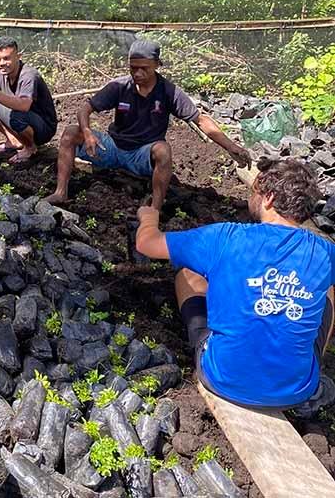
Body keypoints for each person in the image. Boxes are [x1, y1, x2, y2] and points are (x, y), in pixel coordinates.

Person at [135, 158, 335, 414]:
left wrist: (149, 218)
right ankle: (303, 365)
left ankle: (198, 337)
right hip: (296, 390)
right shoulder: (325, 252)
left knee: (188, 274)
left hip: (223, 380)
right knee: (328, 289)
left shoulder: (227, 237)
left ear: (269, 198)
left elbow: (147, 244)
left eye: (254, 191)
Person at [45, 40, 251, 209]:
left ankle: (155, 209)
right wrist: (88, 133)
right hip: (113, 147)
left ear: (157, 65)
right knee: (71, 132)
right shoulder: (119, 86)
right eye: (133, 68)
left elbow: (201, 119)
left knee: (163, 149)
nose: (138, 74)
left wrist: (232, 146)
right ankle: (60, 192)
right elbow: (85, 109)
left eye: (144, 69)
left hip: (142, 155)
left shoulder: (168, 91)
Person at [0, 36, 57, 163]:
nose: (1, 63)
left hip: (44, 127)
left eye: (6, 58)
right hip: (24, 117)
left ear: (18, 56)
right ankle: (13, 140)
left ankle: (30, 148)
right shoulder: (1, 74)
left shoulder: (28, 76)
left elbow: (24, 106)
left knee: (16, 114)